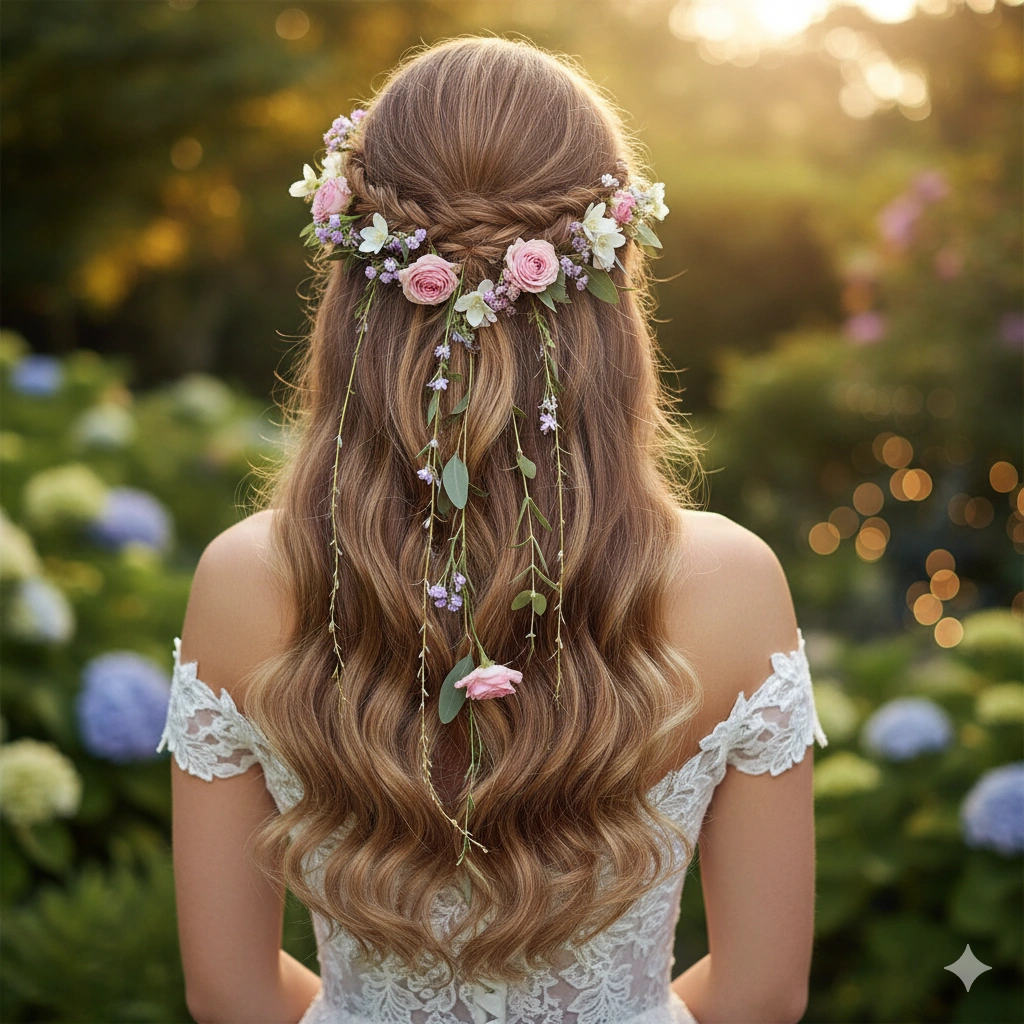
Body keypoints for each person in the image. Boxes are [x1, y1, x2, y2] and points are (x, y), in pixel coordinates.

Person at [157, 35, 829, 1024]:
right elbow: (763, 993)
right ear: (611, 283)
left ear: (355, 283)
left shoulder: (249, 577)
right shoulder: (730, 581)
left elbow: (230, 994)